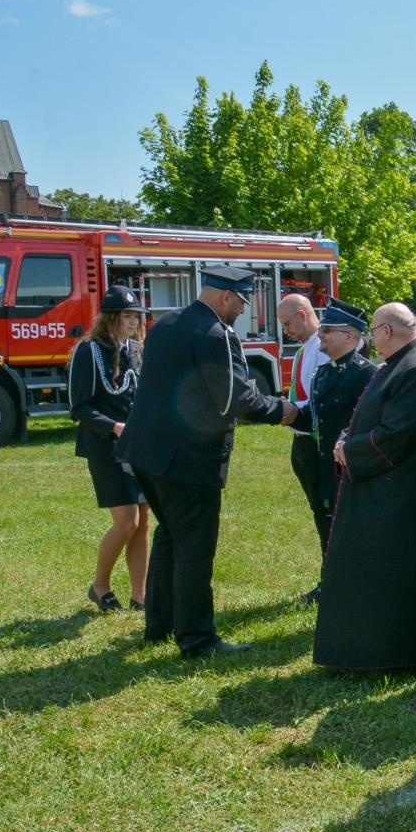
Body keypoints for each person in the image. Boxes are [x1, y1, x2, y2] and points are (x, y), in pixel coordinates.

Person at [117, 266, 295, 658]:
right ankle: (197, 639)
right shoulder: (215, 333)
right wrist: (281, 409)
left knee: (171, 536)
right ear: (225, 297)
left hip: (146, 450)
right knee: (195, 546)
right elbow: (236, 399)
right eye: (241, 303)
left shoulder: (166, 324)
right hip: (187, 457)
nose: (242, 311)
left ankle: (160, 624)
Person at [315, 302, 416, 671]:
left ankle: (387, 655)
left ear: (387, 331)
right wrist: (347, 437)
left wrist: (350, 450)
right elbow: (368, 415)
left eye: (373, 332)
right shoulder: (399, 364)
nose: (371, 340)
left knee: (389, 577)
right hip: (385, 487)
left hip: (400, 494)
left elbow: (397, 435)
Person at [69, 285, 150, 612]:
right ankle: (99, 585)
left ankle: (140, 596)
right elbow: (79, 406)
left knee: (143, 521)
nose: (133, 322)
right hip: (105, 445)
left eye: (136, 316)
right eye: (127, 316)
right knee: (127, 521)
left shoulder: (136, 349)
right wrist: (113, 426)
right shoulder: (89, 351)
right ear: (111, 317)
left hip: (137, 444)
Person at [288, 299, 375, 601]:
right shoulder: (324, 373)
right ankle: (331, 581)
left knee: (353, 529)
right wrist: (280, 411)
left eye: (327, 330)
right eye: (321, 328)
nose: (320, 335)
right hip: (325, 465)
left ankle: (355, 587)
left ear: (349, 337)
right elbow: (313, 418)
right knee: (326, 522)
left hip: (352, 469)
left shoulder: (366, 375)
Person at [277, 293, 330, 604]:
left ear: (302, 314)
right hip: (302, 442)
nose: (286, 331)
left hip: (315, 444)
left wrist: (289, 411)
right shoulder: (306, 349)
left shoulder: (322, 348)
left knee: (326, 514)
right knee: (318, 512)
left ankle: (330, 580)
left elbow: (317, 400)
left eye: (287, 324)